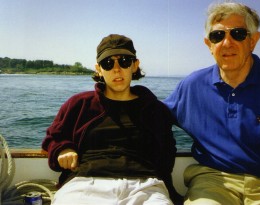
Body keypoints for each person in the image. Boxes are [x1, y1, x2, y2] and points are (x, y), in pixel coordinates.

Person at [164, 2, 260, 205]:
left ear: (253, 40)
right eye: (218, 36)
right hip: (212, 180)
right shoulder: (192, 86)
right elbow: (151, 117)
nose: (227, 43)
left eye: (237, 34)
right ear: (209, 44)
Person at [42, 34, 182, 205]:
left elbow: (166, 154)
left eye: (124, 61)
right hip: (85, 183)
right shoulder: (78, 104)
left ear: (135, 65)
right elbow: (53, 138)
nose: (117, 69)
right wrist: (63, 149)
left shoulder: (155, 110)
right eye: (108, 63)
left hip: (146, 185)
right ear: (98, 69)